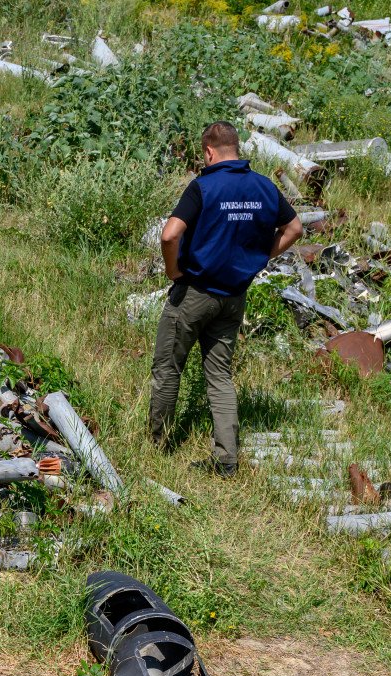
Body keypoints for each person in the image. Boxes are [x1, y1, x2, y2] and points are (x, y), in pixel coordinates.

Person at [148, 121, 303, 475]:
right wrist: (261, 257)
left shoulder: (203, 186)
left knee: (168, 367)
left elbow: (170, 234)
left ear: (208, 151)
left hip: (195, 293)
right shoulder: (264, 186)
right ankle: (227, 459)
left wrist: (174, 272)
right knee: (219, 375)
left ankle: (157, 445)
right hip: (234, 296)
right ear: (237, 147)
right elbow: (294, 229)